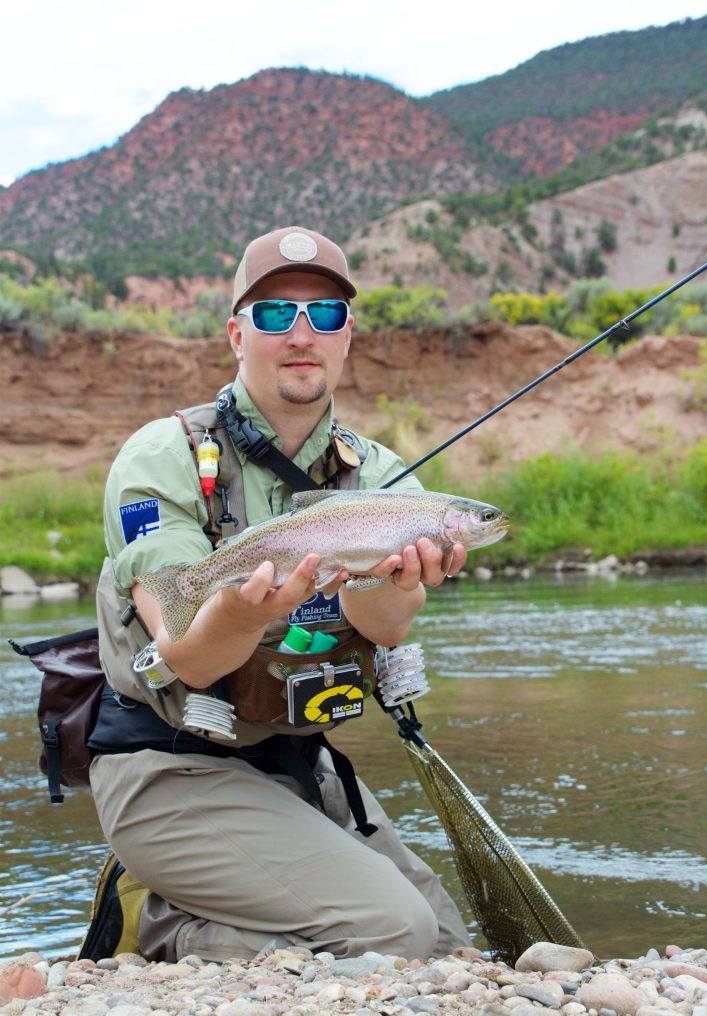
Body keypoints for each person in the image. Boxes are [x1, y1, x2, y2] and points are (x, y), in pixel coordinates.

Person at [79, 225, 473, 963]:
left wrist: (394, 583)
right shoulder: (160, 457)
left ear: (347, 335)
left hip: (295, 762)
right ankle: (159, 923)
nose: (301, 333)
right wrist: (242, 609)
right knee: (393, 933)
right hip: (169, 766)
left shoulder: (385, 479)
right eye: (274, 314)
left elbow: (381, 628)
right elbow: (190, 660)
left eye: (324, 315)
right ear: (237, 334)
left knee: (450, 950)